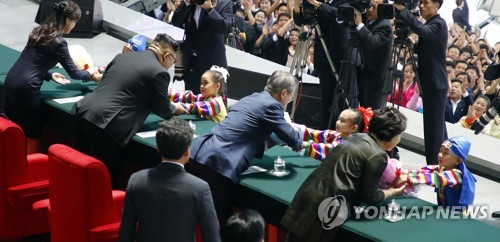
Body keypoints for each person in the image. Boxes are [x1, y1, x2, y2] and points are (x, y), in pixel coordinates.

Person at [73, 33, 187, 186]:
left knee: (80, 175)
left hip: (83, 113)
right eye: (174, 60)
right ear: (167, 56)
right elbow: (162, 109)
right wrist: (175, 108)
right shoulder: (159, 72)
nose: (172, 65)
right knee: (103, 182)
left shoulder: (123, 57)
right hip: (107, 127)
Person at [187, 71, 302, 220]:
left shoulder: (251, 97)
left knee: (193, 214)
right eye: (292, 96)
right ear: (284, 93)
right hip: (218, 162)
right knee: (218, 221)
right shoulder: (272, 106)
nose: (291, 99)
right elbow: (292, 137)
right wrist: (299, 139)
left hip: (198, 152)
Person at [281, 106, 407, 241]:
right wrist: (393, 192)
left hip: (307, 196)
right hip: (327, 209)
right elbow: (369, 196)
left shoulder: (356, 137)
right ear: (391, 134)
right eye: (400, 135)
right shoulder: (378, 155)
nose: (399, 139)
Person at [3, 0, 101, 154]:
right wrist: (91, 74)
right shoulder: (59, 42)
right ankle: (31, 172)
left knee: (10, 129)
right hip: (27, 89)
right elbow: (75, 73)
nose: (74, 25)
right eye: (75, 21)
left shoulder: (39, 31)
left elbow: (30, 61)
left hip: (11, 81)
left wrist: (48, 74)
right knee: (32, 135)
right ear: (69, 20)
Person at [118, 119, 220, 242]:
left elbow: (126, 232)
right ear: (188, 151)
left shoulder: (136, 180)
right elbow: (212, 237)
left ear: (158, 149)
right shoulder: (200, 188)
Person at [394, 0, 448, 165]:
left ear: (437, 5)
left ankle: (434, 165)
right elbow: (428, 47)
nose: (422, 6)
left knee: (433, 129)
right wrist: (413, 45)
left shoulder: (438, 23)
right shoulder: (432, 24)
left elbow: (423, 30)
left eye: (426, 3)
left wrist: (404, 12)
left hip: (435, 83)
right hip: (432, 83)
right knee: (437, 127)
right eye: (421, 3)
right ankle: (443, 162)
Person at [292, 0, 348, 129]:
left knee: (340, 100)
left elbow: (337, 15)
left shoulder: (343, 0)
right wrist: (297, 1)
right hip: (322, 56)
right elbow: (300, 19)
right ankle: (324, 132)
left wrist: (316, 3)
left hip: (340, 58)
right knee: (325, 98)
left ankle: (340, 132)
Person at [171, 0, 233, 93]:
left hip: (214, 63)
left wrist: (210, 10)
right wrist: (185, 2)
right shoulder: (190, 2)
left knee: (216, 105)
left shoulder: (224, 4)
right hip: (192, 61)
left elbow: (225, 27)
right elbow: (175, 22)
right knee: (191, 102)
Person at [397, 136, 476, 209]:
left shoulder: (457, 175)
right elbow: (427, 169)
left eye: (446, 153)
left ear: (458, 160)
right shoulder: (443, 169)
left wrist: (409, 178)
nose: (440, 155)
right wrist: (407, 173)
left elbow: (436, 178)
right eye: (440, 151)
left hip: (457, 215)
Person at [353, 0, 393, 109]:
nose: (369, 9)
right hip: (364, 73)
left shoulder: (384, 25)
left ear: (382, 8)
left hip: (377, 79)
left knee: (372, 112)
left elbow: (373, 42)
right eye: (368, 5)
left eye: (374, 7)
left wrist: (360, 25)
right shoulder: (366, 19)